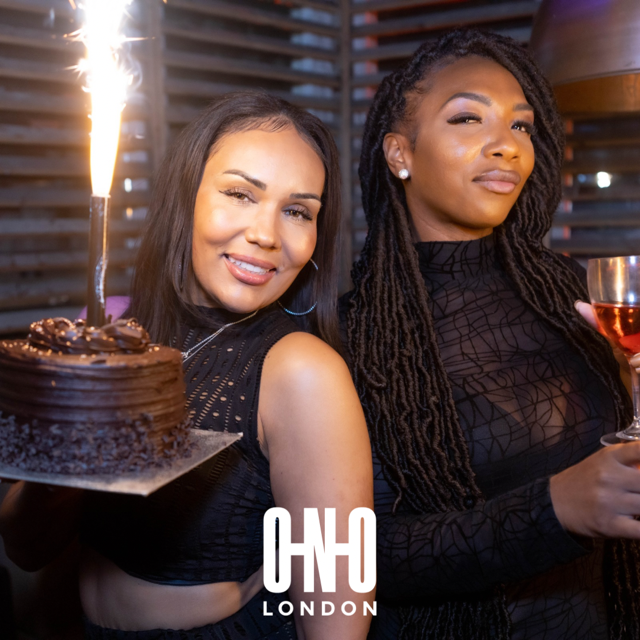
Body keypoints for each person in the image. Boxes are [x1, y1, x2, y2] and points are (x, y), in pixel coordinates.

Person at [1, 91, 374, 640]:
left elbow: (338, 620)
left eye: (297, 211)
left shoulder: (302, 371)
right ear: (186, 197)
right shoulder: (119, 338)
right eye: (240, 194)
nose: (267, 235)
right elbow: (24, 548)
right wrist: (70, 450)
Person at [341, 29, 640, 640]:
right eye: (467, 118)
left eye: (521, 125)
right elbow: (355, 557)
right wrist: (554, 510)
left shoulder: (566, 289)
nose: (506, 145)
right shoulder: (354, 334)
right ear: (399, 154)